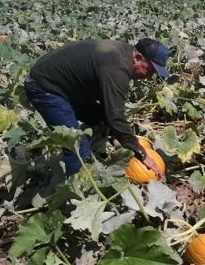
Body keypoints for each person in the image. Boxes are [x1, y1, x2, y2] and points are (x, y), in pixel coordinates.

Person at [23, 38, 170, 177]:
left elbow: (110, 110)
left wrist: (120, 136)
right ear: (137, 58)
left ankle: (106, 143)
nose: (149, 77)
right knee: (76, 145)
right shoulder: (117, 68)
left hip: (65, 84)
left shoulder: (124, 53)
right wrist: (141, 153)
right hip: (44, 88)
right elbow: (115, 116)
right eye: (149, 70)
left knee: (99, 116)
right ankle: (79, 188)